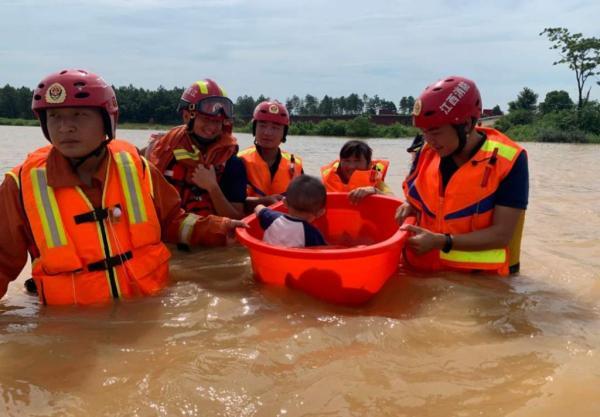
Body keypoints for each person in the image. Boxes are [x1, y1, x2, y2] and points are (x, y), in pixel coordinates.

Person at [0, 69, 246, 305]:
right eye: (54, 117)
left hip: (148, 311)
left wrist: (219, 229)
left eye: (79, 115)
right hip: (69, 329)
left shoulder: (136, 166)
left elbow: (172, 221)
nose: (65, 127)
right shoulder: (20, 186)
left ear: (107, 121)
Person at [396, 75, 529, 276]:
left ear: (466, 125)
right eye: (424, 132)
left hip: (475, 281)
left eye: (436, 132)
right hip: (421, 271)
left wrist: (442, 241)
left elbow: (501, 235)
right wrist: (410, 206)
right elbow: (420, 197)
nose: (429, 140)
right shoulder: (426, 150)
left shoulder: (509, 160)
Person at [145, 79, 246, 222]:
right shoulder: (162, 149)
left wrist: (212, 187)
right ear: (187, 116)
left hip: (209, 239)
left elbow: (237, 220)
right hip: (169, 237)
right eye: (205, 119)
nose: (212, 127)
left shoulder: (232, 164)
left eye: (217, 121)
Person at [239, 100, 303, 212]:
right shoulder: (239, 160)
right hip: (248, 225)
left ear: (284, 132)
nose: (267, 132)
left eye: (275, 128)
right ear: (255, 128)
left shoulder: (296, 164)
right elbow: (233, 201)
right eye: (262, 126)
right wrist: (265, 201)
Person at [255, 175, 326, 248]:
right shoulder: (312, 233)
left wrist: (263, 209)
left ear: (285, 202)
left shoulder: (272, 218)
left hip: (266, 258)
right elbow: (322, 253)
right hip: (292, 259)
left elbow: (258, 207)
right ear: (320, 212)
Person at [321, 140, 392, 204]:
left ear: (369, 164)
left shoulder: (376, 181)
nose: (351, 166)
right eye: (346, 161)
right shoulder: (327, 179)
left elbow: (393, 200)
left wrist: (375, 191)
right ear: (340, 162)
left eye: (357, 161)